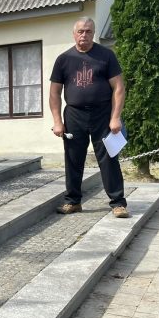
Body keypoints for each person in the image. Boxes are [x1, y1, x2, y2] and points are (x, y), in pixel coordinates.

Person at [49, 17, 129, 218]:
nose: (84, 35)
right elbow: (54, 93)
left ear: (93, 33)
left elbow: (119, 88)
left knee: (109, 158)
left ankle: (118, 203)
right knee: (73, 159)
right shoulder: (63, 59)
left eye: (88, 31)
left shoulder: (106, 56)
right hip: (74, 115)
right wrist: (57, 121)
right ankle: (73, 201)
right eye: (80, 31)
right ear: (74, 34)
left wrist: (115, 117)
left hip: (102, 114)